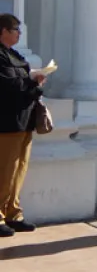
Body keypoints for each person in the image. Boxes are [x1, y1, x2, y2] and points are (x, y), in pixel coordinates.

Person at [0, 13, 46, 237]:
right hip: (6, 122)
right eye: (16, 29)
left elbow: (22, 79)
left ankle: (13, 213)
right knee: (4, 171)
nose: (19, 33)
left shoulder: (14, 54)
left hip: (24, 121)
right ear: (4, 31)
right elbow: (9, 84)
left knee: (19, 169)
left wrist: (35, 80)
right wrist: (32, 81)